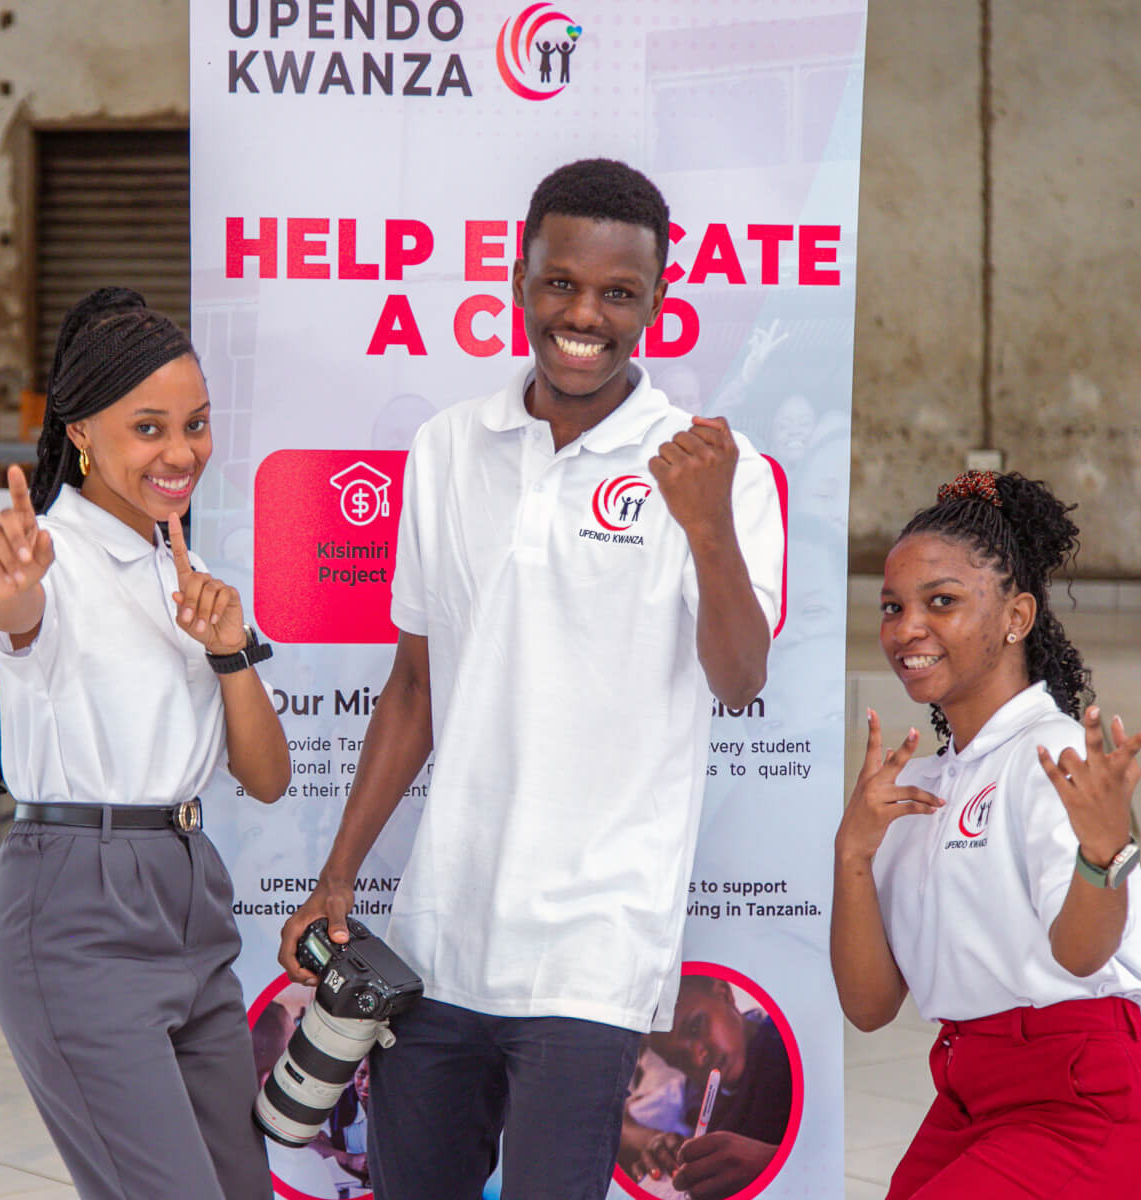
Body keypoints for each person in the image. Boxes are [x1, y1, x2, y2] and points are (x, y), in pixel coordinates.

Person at [278, 158, 784, 1200]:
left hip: (594, 948)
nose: (583, 314)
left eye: (618, 293)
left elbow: (737, 678)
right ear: (517, 278)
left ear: (655, 304)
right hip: (441, 935)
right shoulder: (448, 448)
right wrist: (339, 877)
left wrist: (705, 526)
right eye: (561, 282)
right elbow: (416, 683)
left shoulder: (707, 467)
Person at [0, 287, 291, 1200]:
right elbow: (15, 616)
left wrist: (230, 654)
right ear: (79, 431)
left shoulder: (181, 570)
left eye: (194, 424)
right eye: (148, 427)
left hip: (191, 895)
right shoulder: (51, 555)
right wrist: (8, 589)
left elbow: (266, 781)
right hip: (78, 906)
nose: (181, 451)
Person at [831, 469, 1141, 1198]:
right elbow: (870, 1006)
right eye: (893, 606)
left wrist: (1103, 855)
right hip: (966, 1092)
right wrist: (851, 854)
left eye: (939, 602)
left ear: (1016, 616)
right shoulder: (930, 782)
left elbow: (1080, 956)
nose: (905, 628)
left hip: (1080, 1095)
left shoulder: (1052, 755)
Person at [620, 974, 793, 1198]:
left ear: (724, 993)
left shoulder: (795, 1051)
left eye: (695, 1028)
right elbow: (620, 1121)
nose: (697, 1059)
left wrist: (770, 1163)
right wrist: (654, 1142)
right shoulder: (695, 1092)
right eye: (679, 1059)